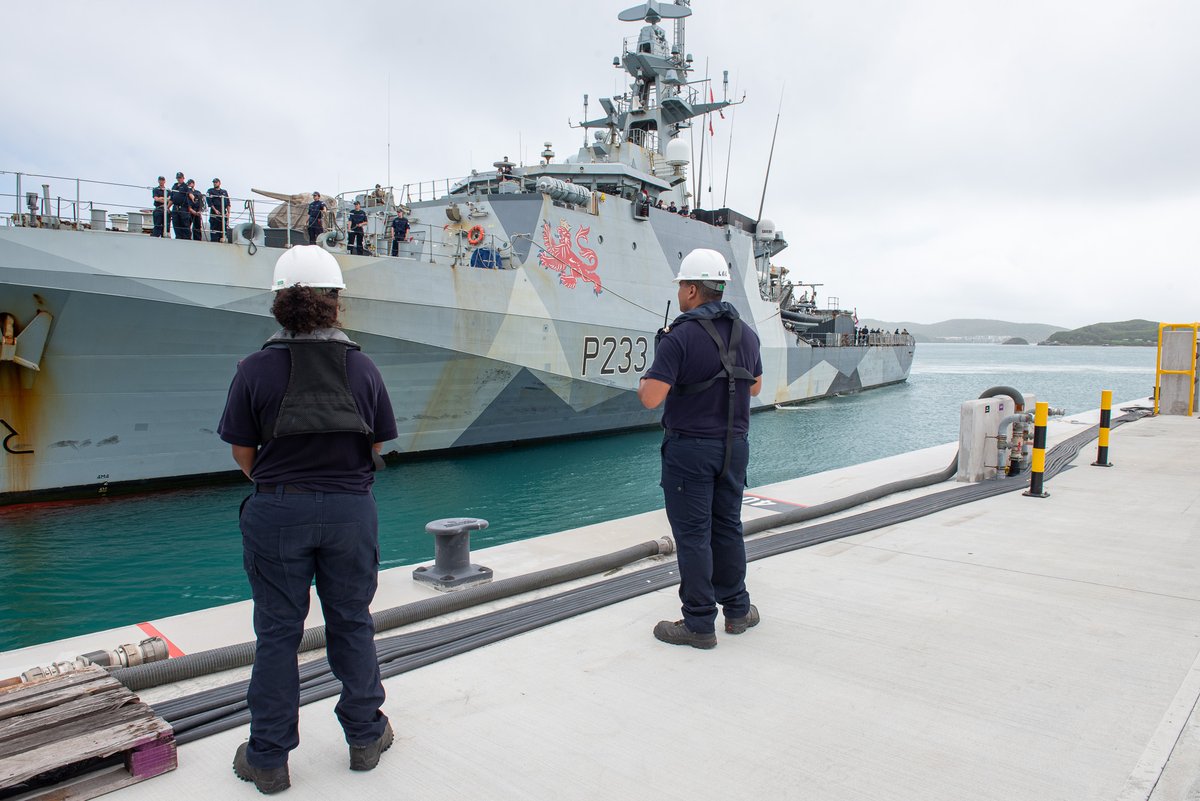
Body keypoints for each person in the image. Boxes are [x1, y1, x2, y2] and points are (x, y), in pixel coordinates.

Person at [218, 246, 396, 794]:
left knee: (276, 633)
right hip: (349, 510)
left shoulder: (253, 369)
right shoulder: (362, 366)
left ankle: (268, 757)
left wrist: (280, 486)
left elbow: (242, 453)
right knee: (352, 620)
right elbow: (382, 443)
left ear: (279, 304)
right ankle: (365, 737)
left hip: (277, 508)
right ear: (335, 303)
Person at [638, 248, 763, 649]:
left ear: (692, 289)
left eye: (681, 286)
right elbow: (754, 386)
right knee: (728, 527)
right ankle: (738, 610)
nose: (679, 293)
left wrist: (653, 370)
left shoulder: (679, 337)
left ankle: (698, 624)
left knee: (693, 536)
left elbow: (651, 398)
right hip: (734, 448)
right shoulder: (748, 334)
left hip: (690, 451)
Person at [207, 178, 231, 243]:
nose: (215, 183)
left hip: (223, 212)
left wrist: (228, 213)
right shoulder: (210, 191)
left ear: (219, 183)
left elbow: (228, 203)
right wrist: (215, 210)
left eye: (216, 182)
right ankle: (214, 242)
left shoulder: (224, 192)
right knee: (214, 230)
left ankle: (222, 240)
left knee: (223, 229)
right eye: (214, 182)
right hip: (214, 213)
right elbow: (209, 201)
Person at [169, 171, 192, 240]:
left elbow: (190, 194)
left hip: (183, 208)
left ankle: (187, 238)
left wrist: (194, 198)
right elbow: (171, 198)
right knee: (176, 224)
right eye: (178, 178)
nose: (179, 179)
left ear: (183, 178)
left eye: (180, 178)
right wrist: (167, 208)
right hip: (175, 208)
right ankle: (178, 237)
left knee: (185, 224)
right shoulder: (174, 186)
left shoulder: (185, 186)